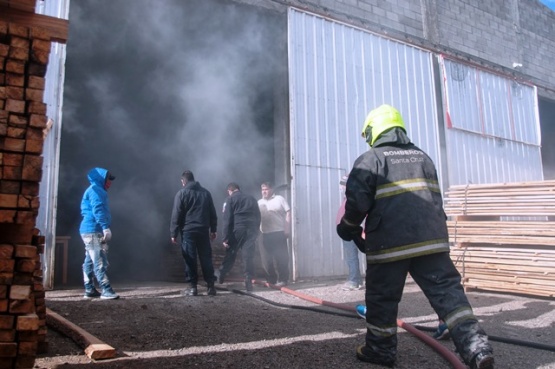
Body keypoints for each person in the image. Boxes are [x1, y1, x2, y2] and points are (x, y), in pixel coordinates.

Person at [336, 104, 494, 369]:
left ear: (374, 131)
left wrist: (348, 226)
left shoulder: (371, 159)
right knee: (449, 295)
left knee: (382, 299)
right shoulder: (423, 157)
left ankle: (379, 350)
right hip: (431, 241)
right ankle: (476, 347)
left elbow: (357, 202)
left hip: (389, 244)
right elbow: (434, 199)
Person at [170, 170, 218, 296]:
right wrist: (213, 229)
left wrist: (173, 233)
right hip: (203, 230)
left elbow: (176, 214)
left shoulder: (181, 193)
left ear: (184, 181)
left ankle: (192, 288)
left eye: (181, 181)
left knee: (190, 258)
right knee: (206, 258)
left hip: (188, 231)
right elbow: (212, 213)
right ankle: (211, 287)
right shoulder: (206, 193)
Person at [79, 167, 119, 300]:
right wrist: (105, 227)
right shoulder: (96, 190)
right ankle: (106, 289)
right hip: (93, 230)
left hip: (88, 230)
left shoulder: (94, 189)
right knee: (99, 259)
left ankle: (89, 288)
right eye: (108, 179)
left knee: (89, 260)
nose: (110, 182)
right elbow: (98, 209)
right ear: (102, 179)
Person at [215, 182, 261, 291]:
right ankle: (248, 281)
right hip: (251, 229)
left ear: (229, 191)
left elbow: (227, 220)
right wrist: (256, 230)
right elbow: (258, 216)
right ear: (238, 189)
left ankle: (221, 274)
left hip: (237, 230)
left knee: (231, 253)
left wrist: (225, 237)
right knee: (248, 256)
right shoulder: (252, 199)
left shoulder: (230, 200)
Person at [258, 181, 291, 287]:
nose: (264, 192)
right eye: (262, 190)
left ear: (271, 189)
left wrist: (287, 229)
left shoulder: (279, 199)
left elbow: (288, 213)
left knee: (281, 258)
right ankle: (271, 280)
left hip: (278, 232)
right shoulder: (259, 203)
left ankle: (283, 280)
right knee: (266, 260)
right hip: (264, 233)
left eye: (266, 189)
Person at [336, 174, 363, 291]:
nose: (342, 187)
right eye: (341, 184)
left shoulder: (355, 198)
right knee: (351, 256)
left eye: (344, 184)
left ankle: (353, 281)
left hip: (352, 230)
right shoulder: (348, 198)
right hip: (347, 230)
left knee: (351, 256)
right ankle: (357, 280)